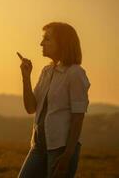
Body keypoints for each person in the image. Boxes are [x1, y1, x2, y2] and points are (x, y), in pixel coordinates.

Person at [17, 22, 90, 178]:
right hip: (38, 146)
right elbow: (30, 108)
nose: (41, 43)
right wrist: (26, 78)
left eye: (47, 39)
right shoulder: (46, 71)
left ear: (62, 43)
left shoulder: (75, 74)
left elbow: (78, 118)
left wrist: (67, 156)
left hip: (61, 149)